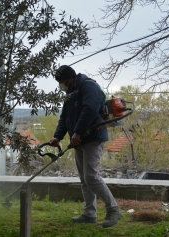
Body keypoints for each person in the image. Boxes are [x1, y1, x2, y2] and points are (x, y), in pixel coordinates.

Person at [49, 65, 122, 228]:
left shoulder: (88, 86)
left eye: (61, 81)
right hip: (79, 139)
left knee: (91, 177)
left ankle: (114, 209)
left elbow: (90, 110)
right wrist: (57, 136)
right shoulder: (71, 93)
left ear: (68, 79)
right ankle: (89, 214)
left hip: (93, 137)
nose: (60, 85)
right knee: (84, 179)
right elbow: (65, 117)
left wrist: (77, 132)